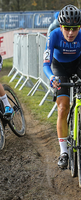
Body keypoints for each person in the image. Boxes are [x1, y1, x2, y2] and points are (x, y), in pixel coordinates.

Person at [43, 4, 81, 169]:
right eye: (67, 28)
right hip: (59, 67)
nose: (71, 33)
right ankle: (64, 152)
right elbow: (46, 64)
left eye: (75, 29)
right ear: (60, 26)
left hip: (78, 64)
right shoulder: (53, 35)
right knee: (63, 108)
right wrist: (51, 77)